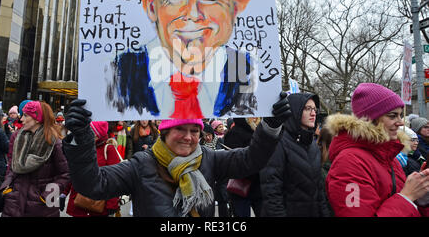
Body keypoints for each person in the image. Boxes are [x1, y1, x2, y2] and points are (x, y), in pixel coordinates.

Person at [61, 92, 292, 217]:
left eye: (194, 131)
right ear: (164, 132)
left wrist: (270, 127)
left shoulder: (208, 159)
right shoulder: (141, 165)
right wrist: (80, 138)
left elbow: (251, 159)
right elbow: (92, 185)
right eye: (180, 129)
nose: (188, 137)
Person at [105, 0, 258, 119]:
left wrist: (272, 127)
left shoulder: (248, 71)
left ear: (234, 10)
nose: (193, 14)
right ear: (151, 8)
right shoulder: (118, 72)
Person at [325, 83, 429, 217]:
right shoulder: (349, 163)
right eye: (392, 116)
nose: (401, 122)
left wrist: (421, 196)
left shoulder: (387, 156)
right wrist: (407, 197)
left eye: (399, 115)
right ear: (371, 119)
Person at [260, 93, 331, 217]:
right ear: (294, 111)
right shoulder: (277, 143)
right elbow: (272, 192)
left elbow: (319, 190)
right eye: (307, 109)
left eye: (314, 109)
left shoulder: (312, 145)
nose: (313, 113)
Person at [0, 101, 70, 217]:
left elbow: (65, 174)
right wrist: (7, 186)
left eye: (26, 115)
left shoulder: (53, 141)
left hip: (43, 207)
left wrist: (47, 195)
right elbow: (11, 167)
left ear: (37, 119)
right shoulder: (16, 137)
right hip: (14, 202)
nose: (21, 119)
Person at [65, 121, 121, 217]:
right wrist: (64, 193)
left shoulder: (109, 149)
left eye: (91, 131)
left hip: (98, 205)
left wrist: (112, 204)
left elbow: (114, 179)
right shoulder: (81, 147)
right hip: (78, 202)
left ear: (98, 134)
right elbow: (73, 172)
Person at [223, 117, 264, 217]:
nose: (255, 118)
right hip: (240, 187)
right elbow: (235, 162)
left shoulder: (260, 131)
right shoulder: (234, 133)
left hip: (259, 186)